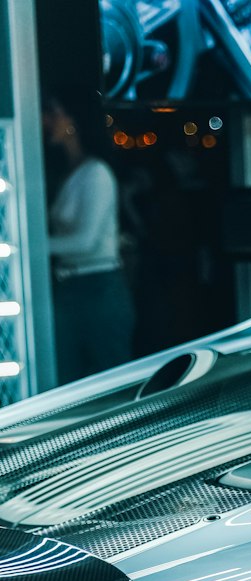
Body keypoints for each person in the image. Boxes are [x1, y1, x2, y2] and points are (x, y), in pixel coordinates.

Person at [43, 94, 133, 384]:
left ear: (74, 122)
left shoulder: (96, 173)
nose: (47, 121)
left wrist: (29, 246)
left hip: (98, 288)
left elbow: (86, 242)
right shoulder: (72, 173)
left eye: (55, 113)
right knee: (67, 379)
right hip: (71, 286)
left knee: (108, 382)